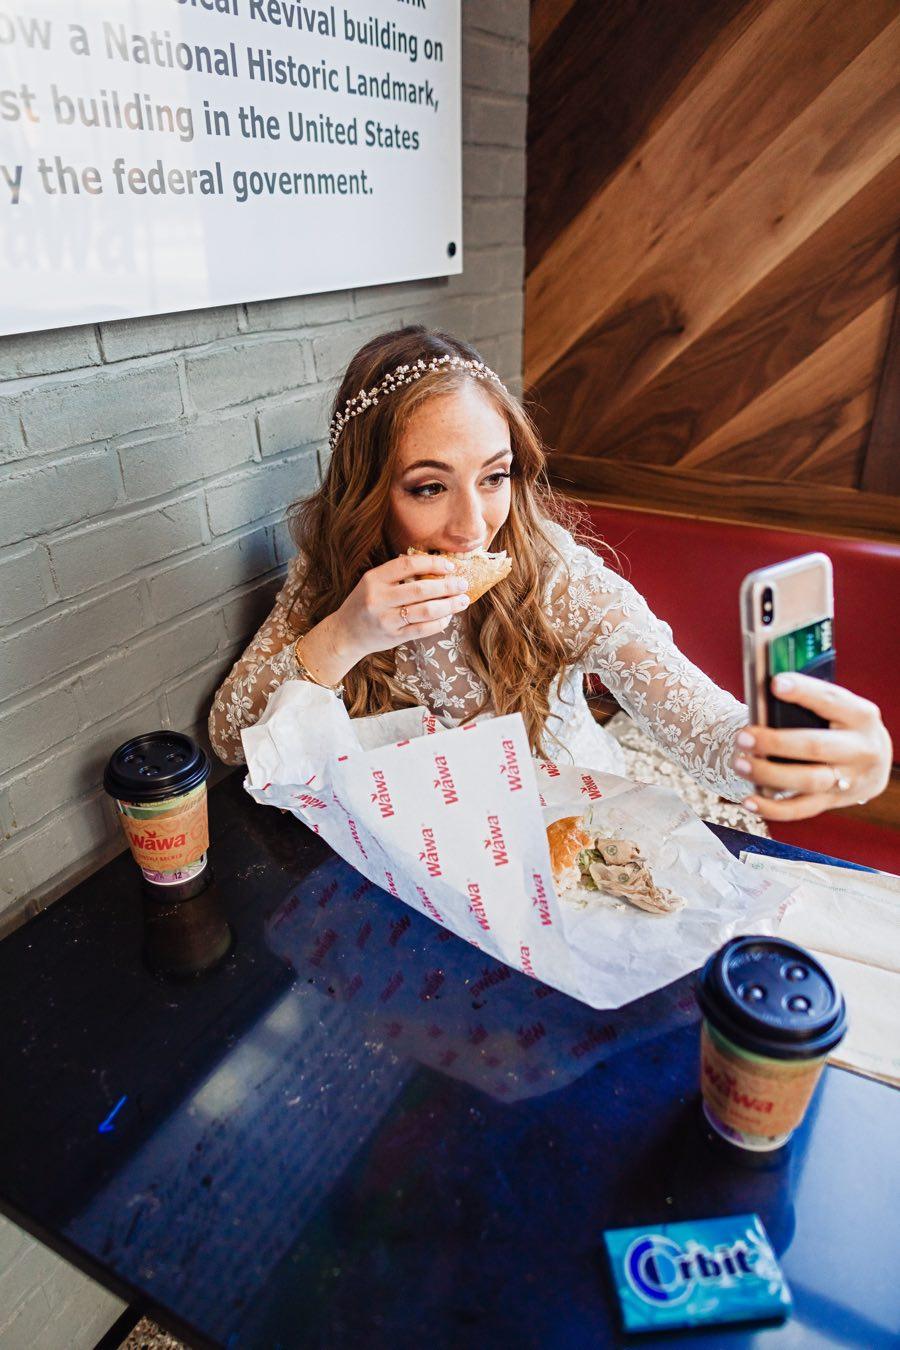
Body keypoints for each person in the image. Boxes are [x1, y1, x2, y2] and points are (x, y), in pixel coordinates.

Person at [209, 326, 892, 823]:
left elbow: (701, 727)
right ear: (367, 493)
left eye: (495, 477)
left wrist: (794, 756)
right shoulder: (331, 576)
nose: (472, 525)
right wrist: (345, 635)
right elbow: (229, 738)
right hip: (411, 852)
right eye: (427, 488)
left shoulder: (556, 575)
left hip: (570, 832)